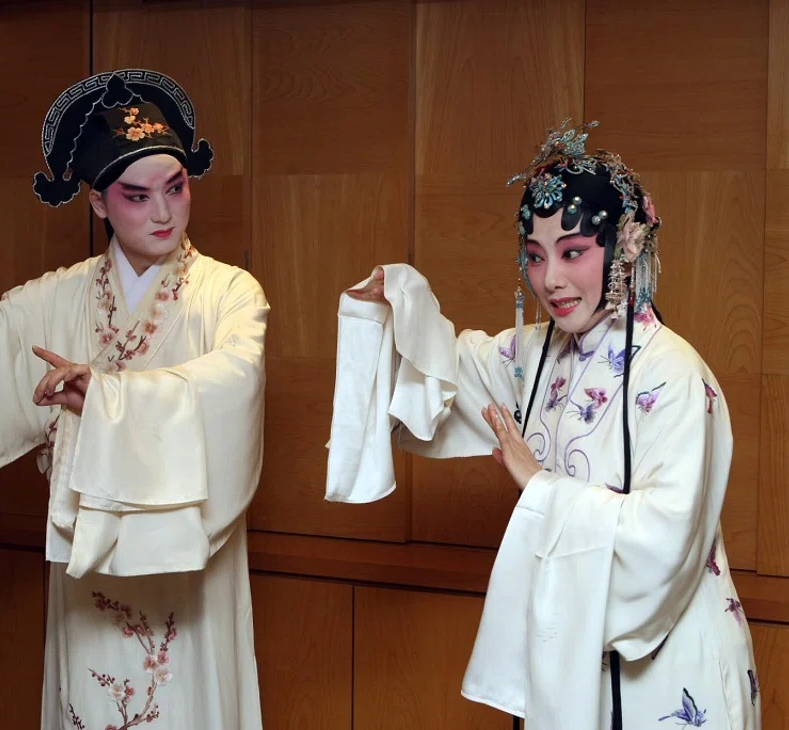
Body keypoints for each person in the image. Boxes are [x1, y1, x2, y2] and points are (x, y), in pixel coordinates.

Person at [0, 69, 268, 730]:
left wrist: (104, 399)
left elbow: (233, 383)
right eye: (137, 196)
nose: (162, 213)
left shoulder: (229, 293)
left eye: (176, 187)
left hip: (187, 572)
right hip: (87, 566)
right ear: (97, 201)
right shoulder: (60, 296)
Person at [325, 119, 760, 730]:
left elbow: (666, 540)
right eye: (535, 256)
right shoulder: (537, 357)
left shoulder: (678, 375)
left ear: (626, 245)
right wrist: (398, 308)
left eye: (573, 252)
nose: (551, 279)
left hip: (667, 668)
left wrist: (542, 489)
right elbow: (451, 371)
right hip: (569, 659)